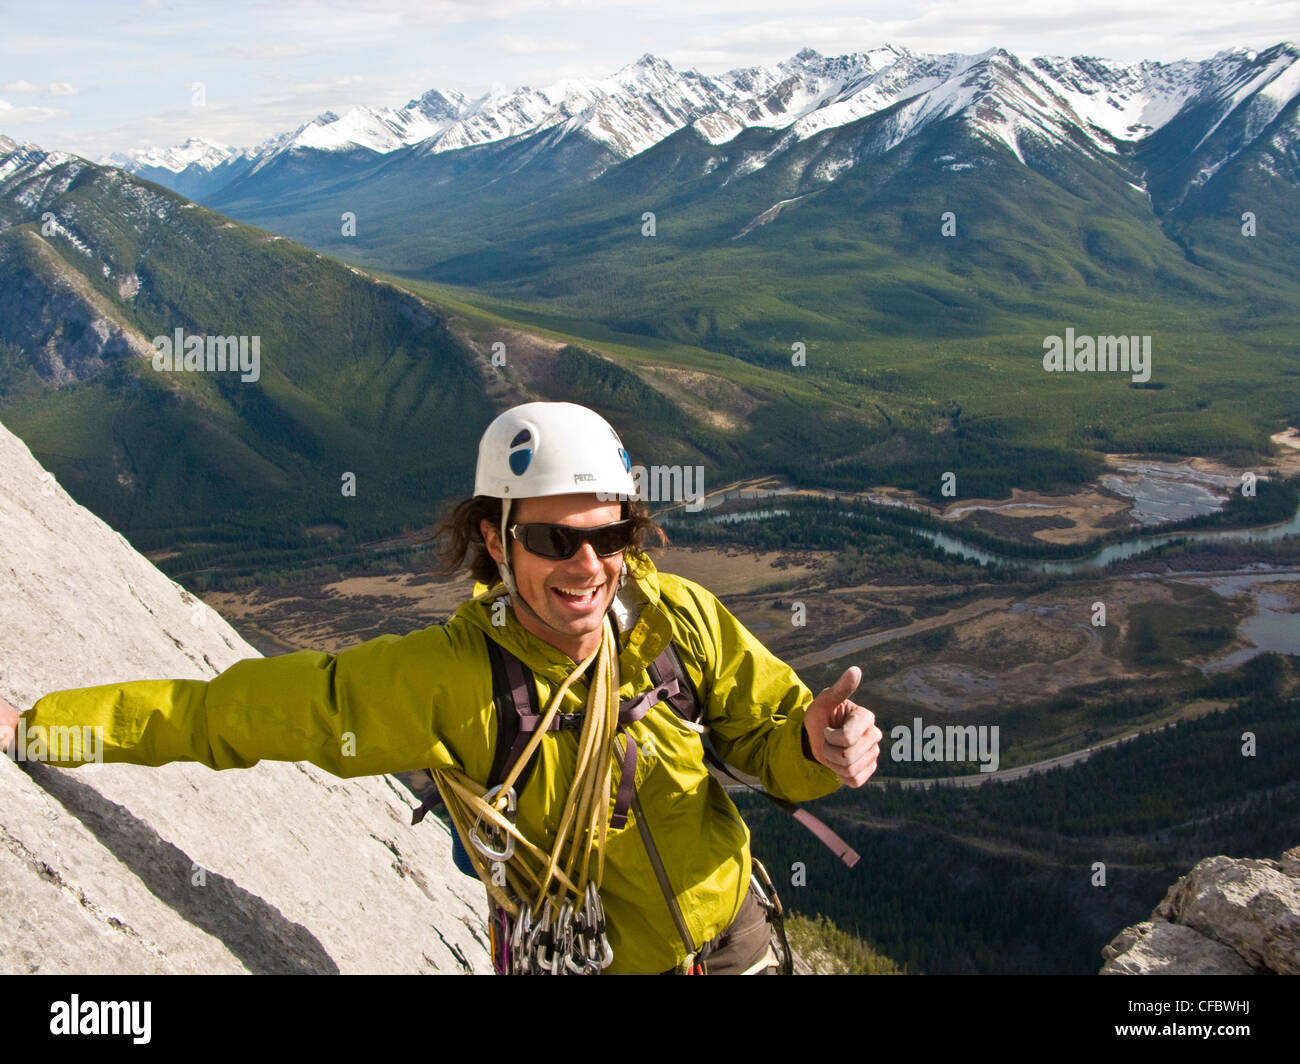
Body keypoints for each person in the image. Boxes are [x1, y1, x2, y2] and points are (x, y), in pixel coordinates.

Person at [0, 401, 882, 975]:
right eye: (551, 540)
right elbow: (225, 716)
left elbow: (767, 737)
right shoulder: (451, 681)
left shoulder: (673, 619)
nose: (588, 567)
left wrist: (816, 747)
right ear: (494, 542)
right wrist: (35, 729)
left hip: (739, 946)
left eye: (610, 538)